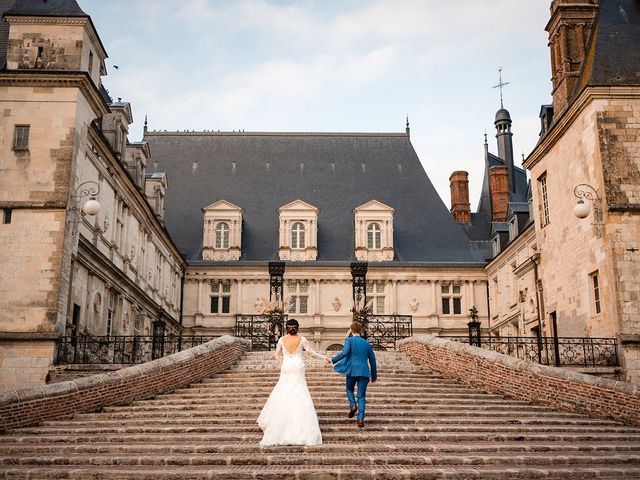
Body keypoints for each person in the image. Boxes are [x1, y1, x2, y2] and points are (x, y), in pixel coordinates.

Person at [257, 319, 326, 446]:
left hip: (287, 366)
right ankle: (300, 426)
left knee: (283, 391)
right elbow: (311, 353)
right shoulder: (302, 339)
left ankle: (279, 424)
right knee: (300, 392)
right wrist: (324, 357)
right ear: (297, 328)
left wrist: (283, 359)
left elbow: (277, 355)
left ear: (286, 328)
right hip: (298, 366)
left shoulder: (281, 340)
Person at [328, 321, 377, 428]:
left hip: (352, 370)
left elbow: (344, 353)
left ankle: (352, 405)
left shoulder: (349, 340)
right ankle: (360, 418)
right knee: (361, 396)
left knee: (349, 389)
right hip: (364, 372)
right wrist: (374, 376)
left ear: (351, 330)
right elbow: (372, 361)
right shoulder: (367, 344)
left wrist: (332, 360)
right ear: (361, 330)